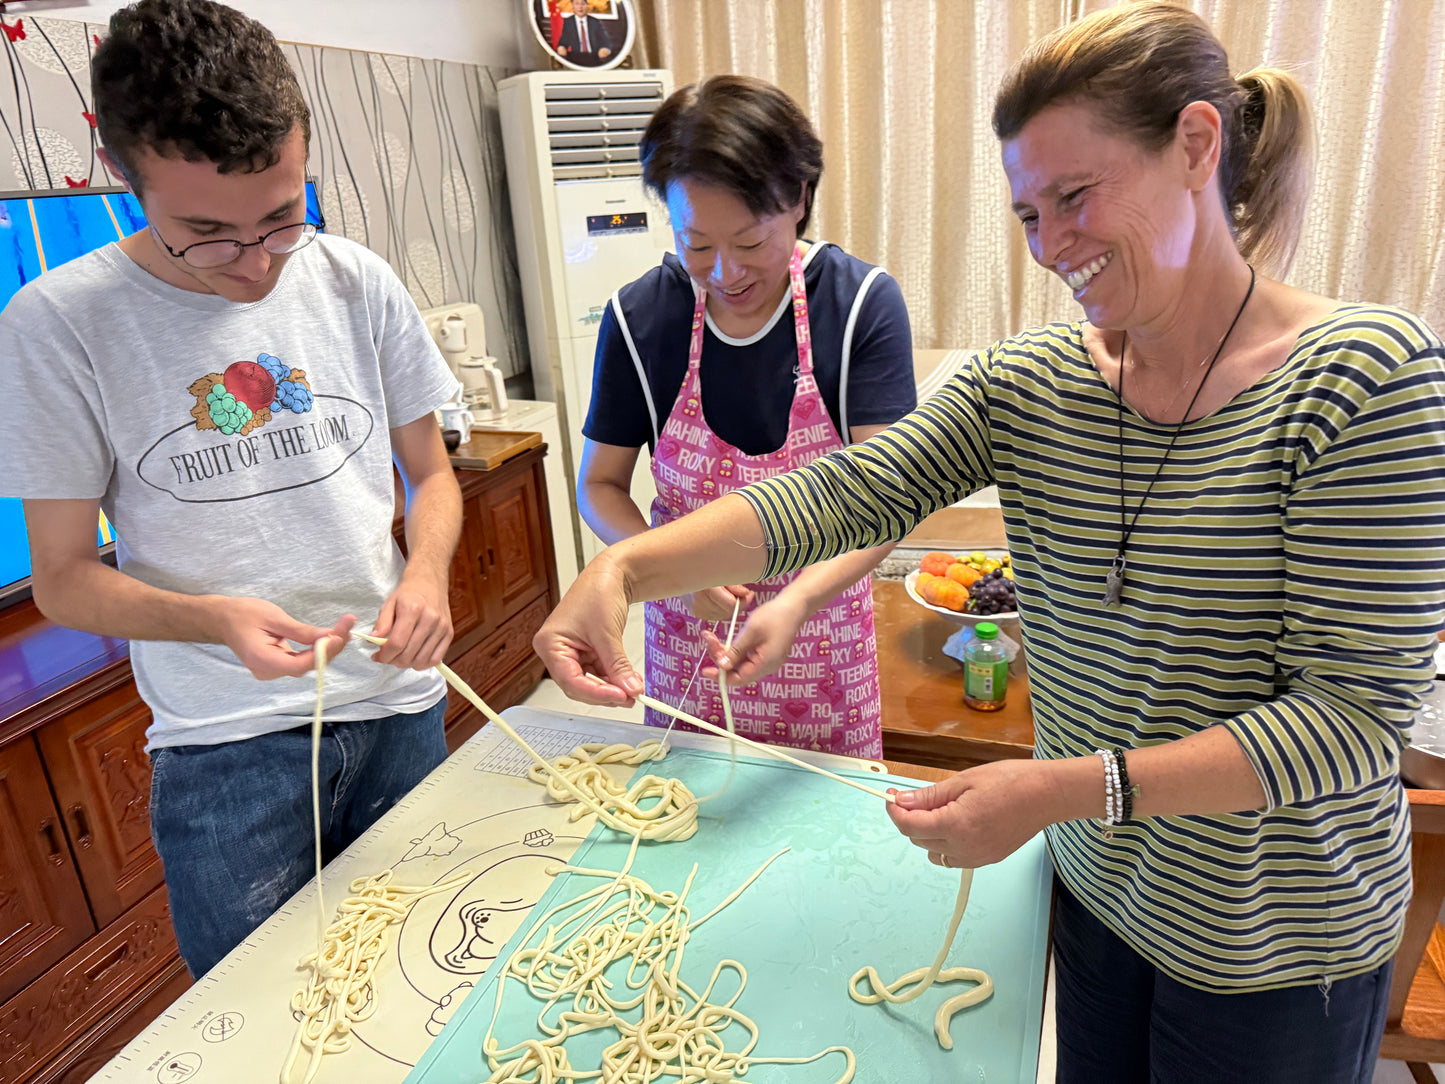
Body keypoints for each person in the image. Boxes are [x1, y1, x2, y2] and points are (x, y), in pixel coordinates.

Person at [535, 3, 1445, 1079]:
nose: (1050, 249)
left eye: (1073, 198)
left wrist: (1060, 788)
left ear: (1196, 145)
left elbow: (1349, 724)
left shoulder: (1362, 380)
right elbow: (848, 492)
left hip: (1275, 950)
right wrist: (622, 566)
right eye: (1024, 213)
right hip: (1098, 901)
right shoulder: (1035, 381)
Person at [0, 0, 464, 978]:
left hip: (398, 706)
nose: (255, 264)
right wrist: (216, 620)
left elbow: (429, 473)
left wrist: (424, 574)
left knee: (429, 976)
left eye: (282, 218)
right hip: (224, 749)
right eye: (205, 233)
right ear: (124, 174)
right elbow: (64, 580)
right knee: (264, 1021)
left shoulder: (354, 280)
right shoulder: (60, 324)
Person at [577, 75, 916, 759]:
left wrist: (794, 602)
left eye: (750, 241)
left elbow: (890, 500)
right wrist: (676, 572)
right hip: (688, 649)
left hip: (823, 651)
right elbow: (600, 485)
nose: (726, 271)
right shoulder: (640, 319)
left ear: (795, 202)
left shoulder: (856, 307)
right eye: (696, 244)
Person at [556, 0, 613, 65]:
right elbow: (563, 42)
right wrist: (561, 47)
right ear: (572, 6)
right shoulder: (568, 22)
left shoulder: (595, 22)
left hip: (593, 56)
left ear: (587, 6)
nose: (580, 7)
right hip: (575, 56)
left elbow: (606, 42)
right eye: (577, 4)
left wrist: (605, 49)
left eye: (583, 4)